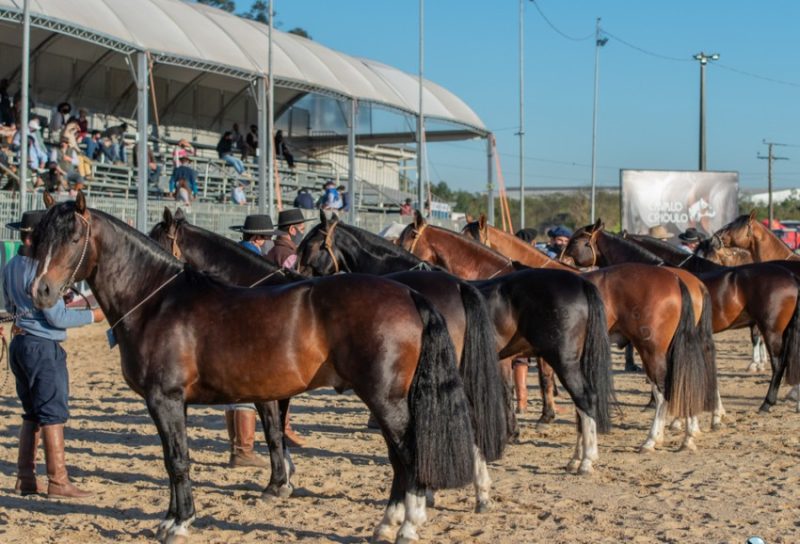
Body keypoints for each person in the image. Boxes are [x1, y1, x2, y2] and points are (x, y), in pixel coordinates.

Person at [4, 210, 104, 498]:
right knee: (52, 413)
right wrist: (92, 316)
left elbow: (12, 304)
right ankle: (58, 480)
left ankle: (25, 477)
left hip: (21, 342)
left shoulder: (12, 265)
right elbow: (57, 318)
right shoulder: (39, 270)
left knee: (32, 412)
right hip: (42, 346)